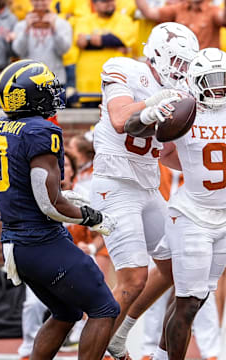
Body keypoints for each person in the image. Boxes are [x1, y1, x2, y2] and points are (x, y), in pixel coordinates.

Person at [0, 59, 119, 360]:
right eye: (45, 90)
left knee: (66, 311)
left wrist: (63, 196)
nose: (52, 95)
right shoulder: (41, 131)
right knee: (105, 308)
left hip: (14, 244)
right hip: (42, 242)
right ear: (28, 96)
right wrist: (91, 217)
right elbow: (49, 203)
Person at [89, 22, 199, 359]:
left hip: (148, 186)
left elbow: (165, 153)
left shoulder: (177, 92)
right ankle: (92, 346)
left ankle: (119, 333)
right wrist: (151, 103)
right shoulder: (125, 68)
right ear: (157, 52)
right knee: (133, 278)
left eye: (186, 64)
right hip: (115, 185)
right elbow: (121, 117)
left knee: (175, 267)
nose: (180, 71)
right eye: (177, 62)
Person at [143, 47, 226, 360]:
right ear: (196, 80)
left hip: (223, 215)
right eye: (213, 79)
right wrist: (196, 170)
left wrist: (198, 168)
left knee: (198, 298)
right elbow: (163, 155)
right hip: (192, 215)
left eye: (224, 79)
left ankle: (163, 356)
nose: (219, 86)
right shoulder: (186, 111)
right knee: (188, 301)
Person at [74, 0, 136, 108]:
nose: (109, 3)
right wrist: (109, 43)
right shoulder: (85, 20)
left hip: (117, 81)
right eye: (104, 1)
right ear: (94, 4)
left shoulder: (124, 20)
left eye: (112, 1)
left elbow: (118, 40)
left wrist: (90, 39)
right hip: (89, 84)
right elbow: (81, 42)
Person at [11, 0, 72, 87]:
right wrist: (26, 30)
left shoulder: (62, 24)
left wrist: (54, 29)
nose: (39, 3)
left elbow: (63, 50)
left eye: (43, 0)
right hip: (29, 80)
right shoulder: (21, 25)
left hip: (54, 79)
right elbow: (18, 51)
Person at [135, 0, 226, 49]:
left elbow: (223, 19)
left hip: (205, 69)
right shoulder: (178, 9)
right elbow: (149, 13)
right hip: (182, 69)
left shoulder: (213, 10)